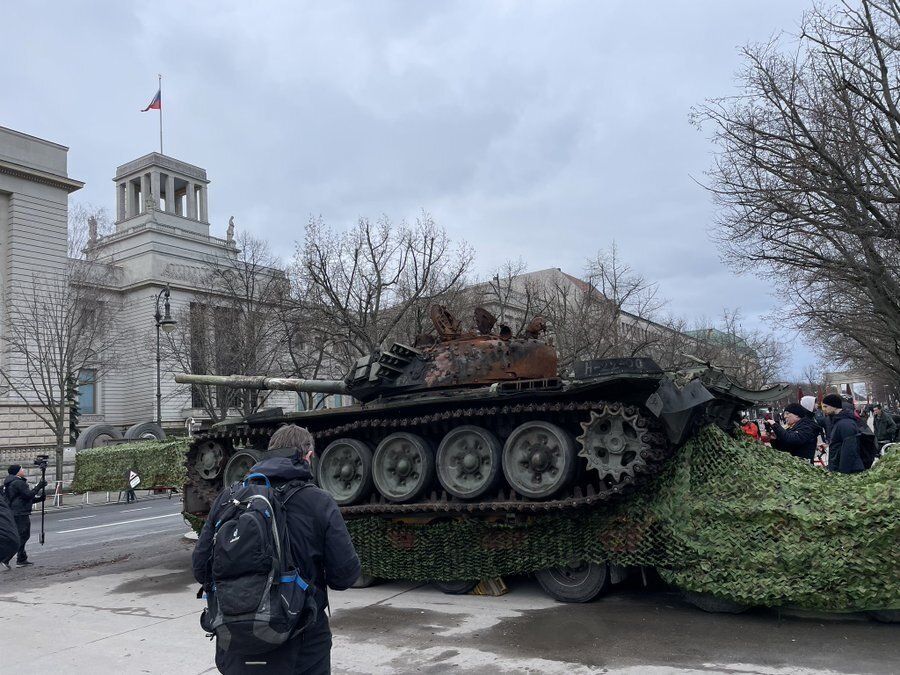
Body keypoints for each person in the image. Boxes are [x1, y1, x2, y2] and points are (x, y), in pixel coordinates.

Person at [193, 424, 360, 674]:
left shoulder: (229, 499)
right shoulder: (319, 502)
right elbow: (344, 576)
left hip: (236, 639)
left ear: (268, 454)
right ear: (308, 457)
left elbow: (200, 569)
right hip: (302, 643)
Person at [2, 465, 46, 567]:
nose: (23, 470)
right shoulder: (18, 482)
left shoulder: (10, 482)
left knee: (21, 535)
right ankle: (7, 558)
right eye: (21, 469)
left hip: (15, 511)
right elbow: (28, 495)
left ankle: (21, 558)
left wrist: (39, 499)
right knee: (23, 535)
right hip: (20, 512)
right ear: (17, 472)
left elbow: (22, 498)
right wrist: (39, 486)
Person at [821, 394, 864, 474]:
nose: (824, 409)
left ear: (834, 406)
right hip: (842, 468)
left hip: (849, 470)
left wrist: (843, 473)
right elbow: (839, 444)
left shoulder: (845, 423)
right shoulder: (839, 421)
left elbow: (849, 450)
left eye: (826, 406)